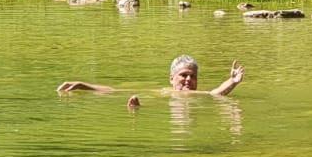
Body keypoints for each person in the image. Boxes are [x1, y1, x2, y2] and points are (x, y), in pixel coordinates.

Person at [57, 54, 245, 102]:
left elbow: (215, 94)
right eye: (183, 75)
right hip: (160, 103)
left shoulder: (196, 96)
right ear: (171, 78)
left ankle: (136, 108)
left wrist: (233, 82)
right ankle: (136, 109)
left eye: (192, 76)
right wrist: (83, 85)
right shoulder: (164, 92)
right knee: (135, 98)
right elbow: (114, 91)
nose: (188, 80)